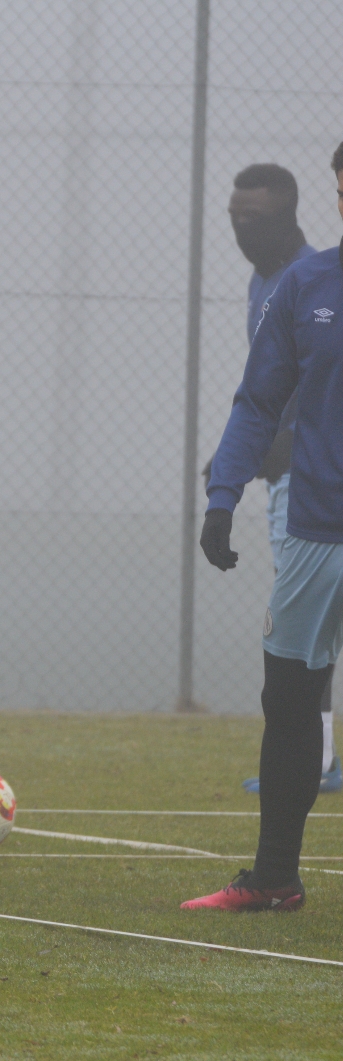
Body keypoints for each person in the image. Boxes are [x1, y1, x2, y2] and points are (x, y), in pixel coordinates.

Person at [188, 143, 343, 912]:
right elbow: (257, 401)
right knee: (288, 696)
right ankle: (274, 878)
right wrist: (222, 494)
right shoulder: (304, 286)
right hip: (317, 528)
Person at [226, 163, 339, 794]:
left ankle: (318, 759)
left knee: (307, 629)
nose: (243, 230)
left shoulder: (311, 278)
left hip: (316, 483)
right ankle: (318, 755)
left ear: (291, 215)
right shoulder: (262, 278)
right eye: (234, 218)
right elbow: (267, 389)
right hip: (281, 474)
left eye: (256, 219)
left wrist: (288, 443)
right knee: (303, 630)